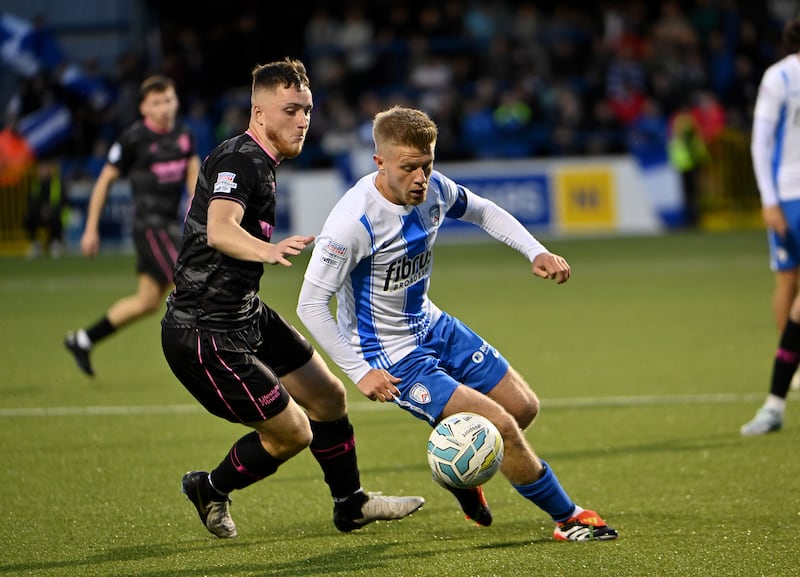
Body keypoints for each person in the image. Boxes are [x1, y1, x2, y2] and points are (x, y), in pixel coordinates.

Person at [297, 105, 618, 542]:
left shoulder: (434, 189)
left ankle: (459, 473)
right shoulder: (351, 224)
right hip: (392, 357)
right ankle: (570, 519)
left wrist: (535, 251)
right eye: (408, 167)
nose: (420, 178)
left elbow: (484, 211)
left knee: (523, 409)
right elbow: (311, 304)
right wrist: (359, 371)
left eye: (426, 165)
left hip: (433, 325)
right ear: (379, 162)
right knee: (499, 426)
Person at [160, 58, 424, 539]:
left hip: (245, 313)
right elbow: (220, 229)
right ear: (259, 113)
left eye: (307, 109)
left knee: (328, 396)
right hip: (204, 331)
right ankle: (210, 487)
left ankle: (351, 504)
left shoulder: (263, 162)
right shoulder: (239, 160)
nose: (302, 119)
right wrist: (268, 248)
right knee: (294, 432)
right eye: (290, 110)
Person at [64, 75, 201, 377]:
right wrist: (91, 229)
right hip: (149, 227)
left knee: (148, 301)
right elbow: (103, 182)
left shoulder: (183, 134)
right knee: (192, 285)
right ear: (144, 108)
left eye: (168, 100)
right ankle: (204, 357)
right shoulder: (133, 138)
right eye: (156, 103)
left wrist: (196, 204)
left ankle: (83, 340)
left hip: (170, 226)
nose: (164, 107)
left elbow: (193, 172)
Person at [742, 16, 800, 435]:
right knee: (788, 280)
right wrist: (769, 200)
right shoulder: (780, 76)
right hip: (791, 194)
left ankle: (777, 398)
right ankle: (789, 375)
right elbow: (760, 140)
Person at [25, 158, 67, 258]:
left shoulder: (57, 183)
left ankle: (55, 243)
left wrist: (50, 209)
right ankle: (36, 244)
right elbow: (31, 201)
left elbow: (63, 201)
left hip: (55, 212)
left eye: (44, 168)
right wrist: (41, 210)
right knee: (28, 218)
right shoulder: (36, 184)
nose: (42, 171)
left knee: (56, 218)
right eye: (40, 169)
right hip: (40, 213)